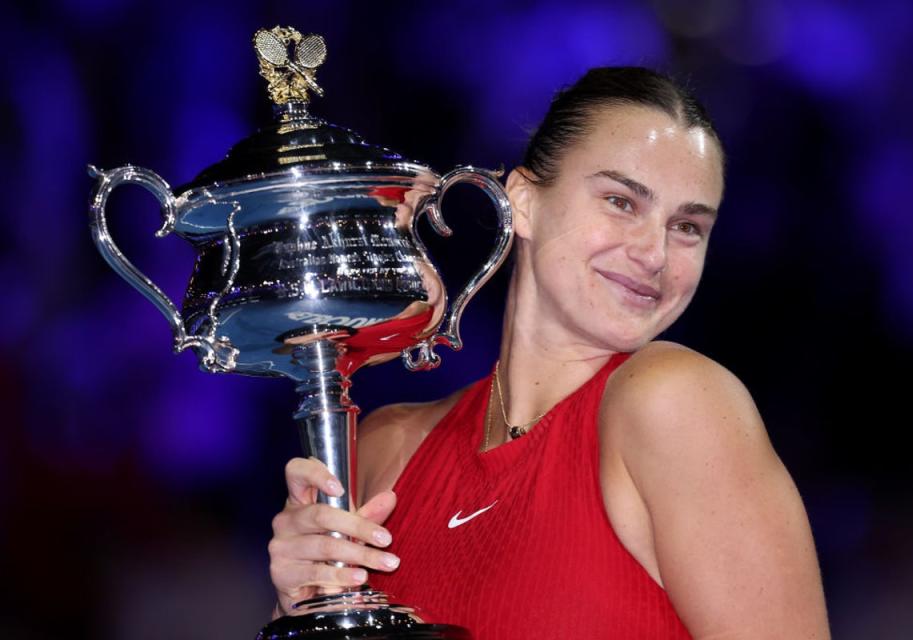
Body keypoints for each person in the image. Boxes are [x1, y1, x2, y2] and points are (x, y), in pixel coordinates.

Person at [267, 67, 830, 639]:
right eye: (621, 201)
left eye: (687, 227)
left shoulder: (676, 403)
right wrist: (299, 605)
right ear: (524, 202)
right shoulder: (385, 451)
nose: (655, 254)